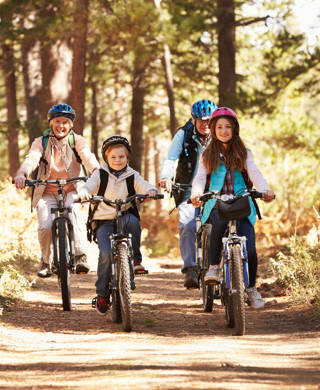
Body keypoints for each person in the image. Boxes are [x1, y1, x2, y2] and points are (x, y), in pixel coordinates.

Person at [191, 107, 275, 309]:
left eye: (228, 127)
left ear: (235, 129)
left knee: (251, 248)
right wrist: (196, 193)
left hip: (241, 202)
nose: (224, 131)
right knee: (217, 227)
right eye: (219, 127)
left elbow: (255, 173)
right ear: (212, 129)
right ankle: (212, 268)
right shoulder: (207, 154)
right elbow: (201, 177)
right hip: (216, 201)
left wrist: (265, 191)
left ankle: (251, 288)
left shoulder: (244, 153)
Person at [14, 103, 100, 277]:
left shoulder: (77, 140)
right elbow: (31, 159)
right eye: (57, 121)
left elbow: (88, 157)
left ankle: (80, 256)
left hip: (72, 188)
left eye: (65, 122)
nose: (61, 126)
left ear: (71, 125)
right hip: (47, 190)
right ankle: (46, 261)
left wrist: (96, 170)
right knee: (45, 226)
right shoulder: (41, 142)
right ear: (51, 123)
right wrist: (22, 173)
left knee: (75, 213)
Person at [78, 135, 157, 315]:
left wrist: (151, 191)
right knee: (105, 254)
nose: (118, 160)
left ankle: (135, 260)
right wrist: (84, 193)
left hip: (125, 214)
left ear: (127, 157)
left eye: (121, 157)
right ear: (106, 158)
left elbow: (144, 185)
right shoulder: (100, 174)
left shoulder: (132, 175)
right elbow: (87, 187)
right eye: (113, 157)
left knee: (134, 223)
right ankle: (102, 294)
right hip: (103, 219)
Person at [160, 99, 217, 289]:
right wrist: (166, 177)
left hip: (214, 190)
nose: (205, 124)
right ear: (193, 119)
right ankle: (190, 268)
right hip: (187, 189)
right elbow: (171, 159)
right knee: (187, 225)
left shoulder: (221, 134)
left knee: (220, 226)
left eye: (208, 120)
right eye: (200, 120)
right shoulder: (183, 135)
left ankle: (220, 269)